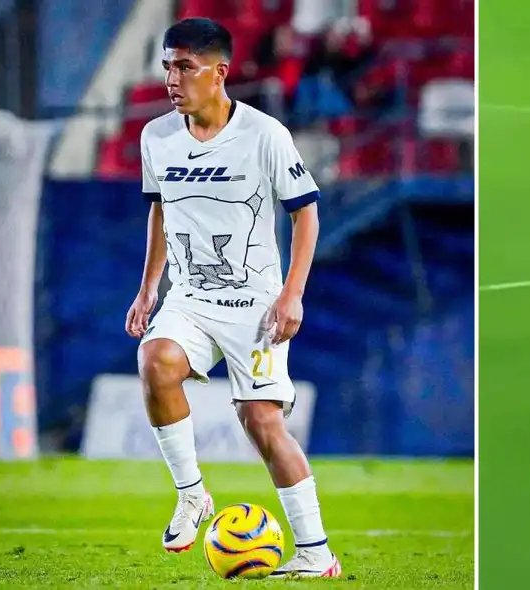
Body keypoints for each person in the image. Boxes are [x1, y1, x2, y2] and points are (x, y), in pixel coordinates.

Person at [124, 18, 340, 579]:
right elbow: (161, 210)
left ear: (219, 73)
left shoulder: (265, 134)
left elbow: (306, 213)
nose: (172, 78)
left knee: (261, 421)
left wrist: (292, 295)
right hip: (190, 296)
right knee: (154, 360)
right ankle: (193, 494)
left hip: (256, 305)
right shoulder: (156, 136)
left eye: (185, 67)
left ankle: (316, 555)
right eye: (168, 65)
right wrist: (150, 287)